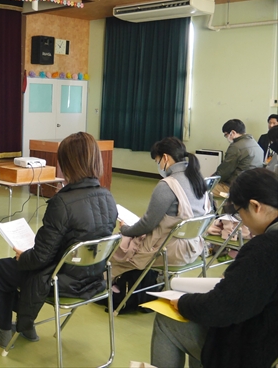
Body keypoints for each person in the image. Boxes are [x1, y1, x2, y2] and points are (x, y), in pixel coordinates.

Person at [0, 132, 117, 348]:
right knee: (20, 269)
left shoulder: (62, 202)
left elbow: (40, 258)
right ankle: (26, 326)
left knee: (0, 269)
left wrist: (23, 257)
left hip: (61, 281)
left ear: (67, 164)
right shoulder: (108, 197)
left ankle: (4, 332)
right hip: (93, 279)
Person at [150, 168, 278, 368]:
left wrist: (183, 303)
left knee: (167, 320)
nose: (241, 221)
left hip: (254, 349)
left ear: (255, 206)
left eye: (239, 212)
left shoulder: (265, 248)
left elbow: (222, 308)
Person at [110, 137, 210, 278]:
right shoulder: (198, 180)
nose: (158, 165)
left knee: (116, 248)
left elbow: (147, 224)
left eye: (157, 161)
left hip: (169, 251)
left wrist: (125, 229)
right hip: (194, 247)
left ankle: (115, 287)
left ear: (165, 158)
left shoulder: (167, 185)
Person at [212, 119, 263, 196]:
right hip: (252, 186)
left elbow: (225, 170)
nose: (226, 137)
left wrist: (212, 179)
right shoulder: (254, 144)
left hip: (236, 187)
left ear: (233, 132)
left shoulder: (236, 147)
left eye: (226, 135)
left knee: (203, 189)